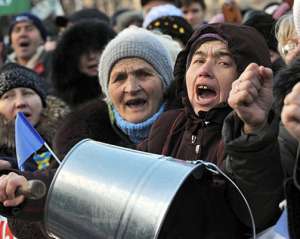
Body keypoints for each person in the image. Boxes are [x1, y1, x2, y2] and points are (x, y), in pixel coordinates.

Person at [0, 27, 175, 238]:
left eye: (143, 74)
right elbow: (59, 185)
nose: (131, 87)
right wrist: (24, 193)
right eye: (119, 78)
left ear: (164, 82)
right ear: (107, 91)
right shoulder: (82, 140)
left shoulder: (190, 132)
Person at [139, 23, 283, 238]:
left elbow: (255, 214)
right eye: (197, 60)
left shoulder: (264, 133)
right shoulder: (167, 126)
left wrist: (253, 131)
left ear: (248, 76)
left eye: (223, 62)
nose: (204, 71)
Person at [0, 62, 69, 238]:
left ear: (45, 103)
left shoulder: (70, 144)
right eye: (8, 96)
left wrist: (12, 166)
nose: (20, 102)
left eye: (28, 93)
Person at [51, 20, 116, 108]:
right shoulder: (57, 103)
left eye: (97, 49)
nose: (91, 56)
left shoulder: (124, 92)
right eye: (82, 51)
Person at [6, 13, 52, 86]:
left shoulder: (55, 65)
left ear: (42, 39)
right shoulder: (4, 72)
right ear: (11, 42)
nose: (22, 34)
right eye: (17, 30)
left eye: (29, 29)